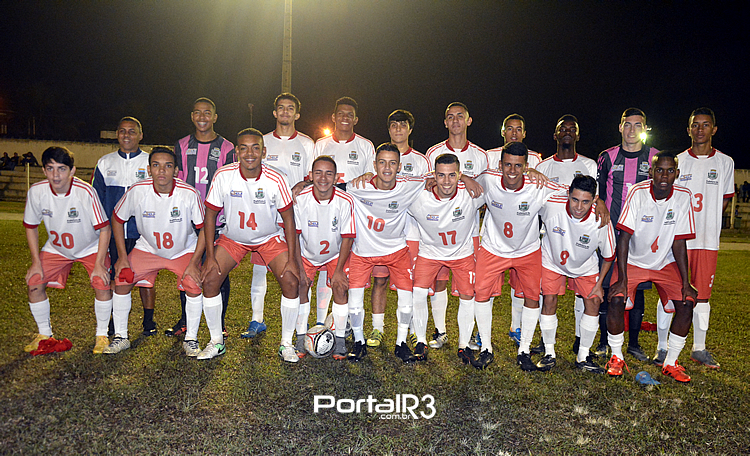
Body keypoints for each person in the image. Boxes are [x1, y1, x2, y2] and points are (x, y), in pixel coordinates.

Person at [202, 128, 301, 362]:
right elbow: (210, 215)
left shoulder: (276, 178)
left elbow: (289, 219)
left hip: (268, 238)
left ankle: (286, 343)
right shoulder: (224, 175)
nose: (250, 153)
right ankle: (216, 341)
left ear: (263, 151)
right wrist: (210, 255)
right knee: (210, 279)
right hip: (233, 238)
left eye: (255, 147)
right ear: (236, 152)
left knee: (290, 279)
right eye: (244, 148)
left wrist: (292, 258)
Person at [473, 142, 567, 370]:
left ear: (526, 166)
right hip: (493, 248)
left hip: (527, 250)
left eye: (518, 166)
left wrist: (598, 201)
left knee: (532, 297)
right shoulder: (488, 178)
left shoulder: (538, 185)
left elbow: (571, 193)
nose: (512, 171)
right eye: (507, 165)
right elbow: (465, 183)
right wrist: (465, 178)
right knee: (481, 295)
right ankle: (486, 347)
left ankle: (524, 349)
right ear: (500, 164)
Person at [104, 147, 206, 355]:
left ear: (176, 170)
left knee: (193, 284)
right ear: (149, 169)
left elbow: (204, 228)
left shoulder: (188, 194)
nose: (162, 171)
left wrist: (195, 262)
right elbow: (117, 218)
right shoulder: (137, 190)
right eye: (156, 166)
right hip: (148, 249)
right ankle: (121, 336)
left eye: (168, 166)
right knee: (122, 278)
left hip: (182, 250)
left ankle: (191, 339)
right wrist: (122, 258)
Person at [653, 108, 734, 368]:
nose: (700, 130)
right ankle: (662, 348)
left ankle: (699, 348)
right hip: (677, 240)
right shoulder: (678, 162)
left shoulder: (725, 163)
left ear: (714, 129)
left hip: (707, 241)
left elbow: (723, 201)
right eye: (695, 125)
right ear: (688, 130)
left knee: (702, 296)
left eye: (705, 125)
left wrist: (706, 224)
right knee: (669, 293)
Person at [607, 151, 697, 382]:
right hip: (634, 260)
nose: (664, 176)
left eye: (669, 171)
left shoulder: (683, 196)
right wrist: (623, 278)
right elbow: (624, 237)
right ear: (651, 172)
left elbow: (679, 241)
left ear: (677, 173)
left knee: (687, 302)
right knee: (616, 297)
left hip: (664, 262)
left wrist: (686, 283)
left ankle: (671, 362)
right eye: (659, 170)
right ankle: (617, 357)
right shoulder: (638, 192)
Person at [23, 146, 112, 353]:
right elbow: (31, 227)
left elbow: (105, 229)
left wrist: (99, 264)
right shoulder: (37, 191)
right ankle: (44, 333)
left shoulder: (85, 192)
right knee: (34, 282)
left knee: (101, 283)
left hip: (90, 247)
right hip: (57, 249)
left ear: (72, 171)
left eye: (62, 169)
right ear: (44, 170)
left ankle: (101, 335)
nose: (56, 175)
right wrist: (36, 262)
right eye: (50, 168)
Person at [242, 93, 316, 340]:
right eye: (281, 108)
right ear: (274, 113)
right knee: (260, 269)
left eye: (290, 108)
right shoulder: (261, 141)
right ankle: (257, 319)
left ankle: (300, 322)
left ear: (297, 114)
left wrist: (303, 183)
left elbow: (312, 176)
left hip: (296, 214)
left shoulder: (307, 144)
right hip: (266, 214)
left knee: (300, 268)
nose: (285, 112)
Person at [345, 143, 425, 362]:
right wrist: (303, 184)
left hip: (396, 250)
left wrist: (465, 178)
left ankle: (401, 343)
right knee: (355, 300)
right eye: (382, 162)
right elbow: (328, 186)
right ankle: (359, 342)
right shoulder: (357, 186)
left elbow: (437, 177)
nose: (387, 168)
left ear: (399, 167)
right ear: (374, 165)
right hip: (363, 251)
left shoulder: (409, 185)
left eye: (392, 163)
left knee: (406, 298)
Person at [167, 98, 235, 339]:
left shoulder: (227, 148)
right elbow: (175, 180)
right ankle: (186, 320)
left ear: (215, 117)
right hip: (188, 219)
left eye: (207, 113)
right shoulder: (181, 145)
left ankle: (220, 321)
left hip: (216, 220)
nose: (202, 116)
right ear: (192, 116)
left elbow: (231, 183)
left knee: (217, 270)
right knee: (188, 268)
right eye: (197, 112)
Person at [596, 108, 659, 362]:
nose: (632, 130)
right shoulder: (607, 157)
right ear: (620, 127)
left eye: (638, 125)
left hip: (641, 234)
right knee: (606, 285)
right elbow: (599, 194)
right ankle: (603, 342)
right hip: (611, 233)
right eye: (627, 124)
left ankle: (633, 343)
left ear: (644, 129)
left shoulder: (654, 157)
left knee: (638, 288)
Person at [424, 102, 488, 350]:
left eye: (460, 116)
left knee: (467, 287)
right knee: (439, 282)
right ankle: (440, 331)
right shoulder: (433, 152)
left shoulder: (480, 155)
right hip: (437, 231)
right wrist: (463, 177)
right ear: (445, 122)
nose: (455, 121)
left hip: (469, 231)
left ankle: (468, 336)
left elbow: (483, 193)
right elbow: (429, 185)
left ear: (469, 120)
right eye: (450, 117)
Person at [365, 109, 431, 348]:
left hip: (412, 232)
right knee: (380, 281)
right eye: (394, 125)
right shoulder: (377, 156)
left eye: (403, 125)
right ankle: (377, 328)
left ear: (410, 130)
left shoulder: (421, 161)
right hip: (383, 233)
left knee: (409, 284)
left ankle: (412, 328)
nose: (398, 129)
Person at [408, 153, 483, 363]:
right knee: (418, 292)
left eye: (452, 175)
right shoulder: (420, 197)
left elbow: (498, 180)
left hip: (461, 254)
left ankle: (463, 345)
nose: (446, 181)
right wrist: (423, 180)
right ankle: (420, 341)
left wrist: (467, 179)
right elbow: (396, 185)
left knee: (468, 296)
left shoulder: (470, 194)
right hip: (430, 252)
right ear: (434, 175)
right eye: (441, 175)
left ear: (459, 174)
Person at [537, 175, 616, 373]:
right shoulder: (552, 203)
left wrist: (599, 284)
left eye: (586, 201)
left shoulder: (601, 219)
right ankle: (549, 353)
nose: (579, 207)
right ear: (568, 195)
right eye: (575, 199)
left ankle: (583, 356)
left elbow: (608, 256)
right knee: (549, 300)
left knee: (594, 301)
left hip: (584, 265)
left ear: (594, 200)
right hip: (552, 260)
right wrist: (530, 170)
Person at [535, 115, 598, 355]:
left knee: (583, 296)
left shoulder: (589, 165)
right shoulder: (544, 167)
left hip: (581, 239)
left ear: (578, 136)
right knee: (548, 294)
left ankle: (580, 340)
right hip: (551, 238)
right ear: (555, 135)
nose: (568, 132)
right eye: (563, 129)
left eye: (573, 129)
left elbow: (594, 200)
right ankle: (545, 341)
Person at [91, 117, 154, 342]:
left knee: (145, 278)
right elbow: (96, 198)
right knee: (112, 276)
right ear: (117, 134)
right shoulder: (105, 162)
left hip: (141, 232)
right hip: (111, 232)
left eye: (132, 131)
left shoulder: (150, 162)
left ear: (141, 135)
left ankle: (149, 320)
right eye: (122, 131)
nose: (127, 135)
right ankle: (111, 320)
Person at [486, 114, 542, 348]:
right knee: (485, 288)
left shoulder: (537, 159)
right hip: (494, 235)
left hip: (524, 235)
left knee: (522, 287)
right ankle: (482, 332)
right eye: (509, 129)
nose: (514, 133)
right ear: (502, 132)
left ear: (525, 133)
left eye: (519, 129)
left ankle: (516, 326)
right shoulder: (489, 156)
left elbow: (546, 188)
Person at [293, 156, 356, 359]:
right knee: (300, 285)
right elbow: (293, 236)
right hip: (306, 254)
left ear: (337, 177)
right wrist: (300, 270)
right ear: (310, 176)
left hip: (335, 254)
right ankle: (300, 338)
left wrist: (338, 271)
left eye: (329, 173)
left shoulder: (345, 201)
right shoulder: (300, 199)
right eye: (318, 173)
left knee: (340, 286)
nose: (323, 178)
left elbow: (347, 237)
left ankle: (339, 341)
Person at [312, 97, 375, 184]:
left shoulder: (366, 145)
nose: (345, 117)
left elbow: (370, 175)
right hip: (327, 197)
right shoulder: (320, 144)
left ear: (355, 120)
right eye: (341, 114)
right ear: (333, 117)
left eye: (350, 115)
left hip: (355, 197)